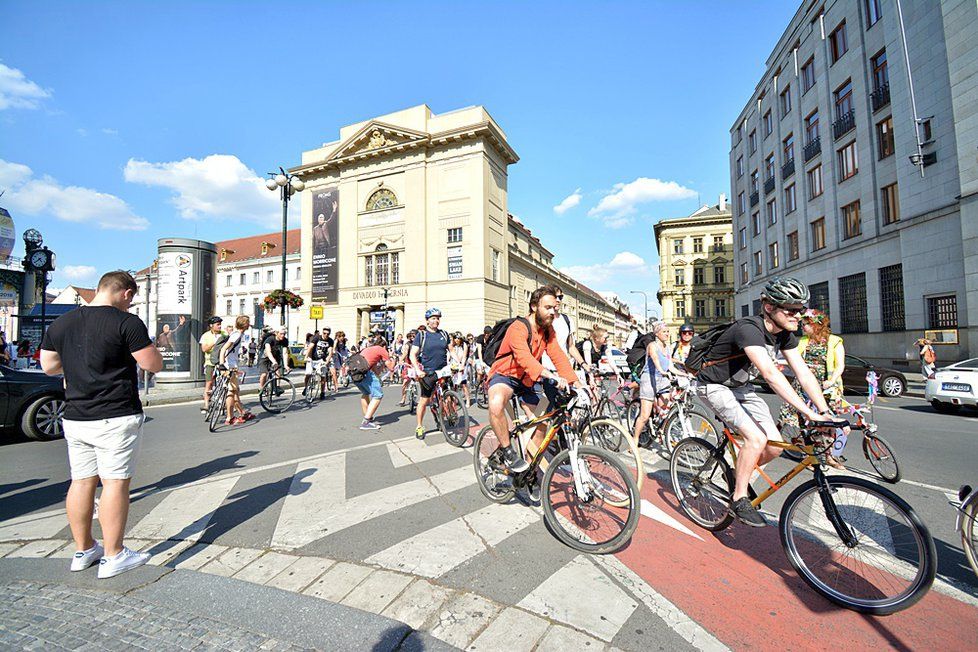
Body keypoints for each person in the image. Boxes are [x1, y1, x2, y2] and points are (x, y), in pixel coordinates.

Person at [40, 271, 163, 578]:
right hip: (115, 414)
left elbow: (48, 366)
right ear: (125, 293)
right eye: (130, 299)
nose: (129, 303)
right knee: (114, 484)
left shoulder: (62, 322)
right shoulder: (127, 322)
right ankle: (114, 554)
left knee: (81, 482)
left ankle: (83, 550)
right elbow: (151, 364)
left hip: (76, 415)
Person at [693, 276, 837, 527]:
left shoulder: (785, 334)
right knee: (756, 438)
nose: (798, 316)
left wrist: (825, 411)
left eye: (801, 310)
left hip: (741, 387)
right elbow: (771, 375)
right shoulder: (749, 328)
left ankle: (737, 475)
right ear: (769, 307)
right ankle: (739, 498)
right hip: (714, 386)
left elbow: (803, 374)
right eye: (791, 309)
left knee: (776, 445)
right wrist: (808, 413)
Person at [487, 285, 578, 473]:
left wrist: (576, 382)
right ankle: (507, 451)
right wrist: (550, 375)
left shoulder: (548, 330)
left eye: (554, 308)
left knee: (542, 423)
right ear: (534, 306)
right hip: (506, 374)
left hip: (527, 380)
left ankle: (529, 469)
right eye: (547, 308)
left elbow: (558, 356)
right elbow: (524, 359)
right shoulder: (518, 327)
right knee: (496, 404)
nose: (552, 312)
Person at [778, 308, 847, 469]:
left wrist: (831, 380)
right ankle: (808, 456)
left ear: (817, 325)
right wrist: (778, 363)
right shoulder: (802, 341)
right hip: (803, 387)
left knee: (829, 422)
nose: (803, 327)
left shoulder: (834, 341)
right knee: (806, 424)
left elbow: (840, 365)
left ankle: (831, 457)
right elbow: (793, 360)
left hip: (826, 388)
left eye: (806, 324)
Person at [410, 307, 451, 440]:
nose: (436, 321)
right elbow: (412, 354)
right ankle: (419, 426)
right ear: (427, 321)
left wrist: (459, 363)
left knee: (448, 395)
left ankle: (446, 415)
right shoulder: (421, 335)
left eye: (438, 318)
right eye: (433, 318)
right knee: (424, 400)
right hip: (428, 372)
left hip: (443, 370)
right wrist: (418, 369)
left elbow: (452, 351)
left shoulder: (444, 334)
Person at [631, 322, 674, 445]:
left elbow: (671, 366)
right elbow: (655, 359)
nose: (667, 334)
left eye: (667, 331)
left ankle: (658, 428)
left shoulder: (668, 347)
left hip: (663, 380)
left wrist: (687, 375)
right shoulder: (652, 345)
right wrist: (662, 371)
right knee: (644, 415)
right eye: (664, 331)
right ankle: (635, 439)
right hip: (649, 379)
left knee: (665, 408)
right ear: (657, 333)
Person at [218, 316, 255, 425]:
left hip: (231, 364)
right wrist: (221, 365)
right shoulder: (237, 335)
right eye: (248, 323)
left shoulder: (238, 334)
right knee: (232, 391)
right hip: (230, 366)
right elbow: (224, 349)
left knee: (235, 390)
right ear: (244, 324)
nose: (249, 324)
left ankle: (242, 412)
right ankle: (230, 418)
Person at [354, 336, 396, 430]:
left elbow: (376, 371)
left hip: (354, 373)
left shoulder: (368, 349)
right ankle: (366, 422)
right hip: (364, 373)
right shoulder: (382, 349)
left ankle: (368, 415)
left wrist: (381, 367)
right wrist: (393, 359)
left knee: (365, 393)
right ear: (384, 346)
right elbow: (391, 367)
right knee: (378, 395)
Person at [199, 316, 226, 412]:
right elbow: (204, 349)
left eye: (220, 324)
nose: (220, 326)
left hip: (221, 362)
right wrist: (215, 343)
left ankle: (223, 403)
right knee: (209, 383)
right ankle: (206, 404)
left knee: (223, 383)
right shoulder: (205, 335)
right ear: (211, 325)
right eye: (217, 324)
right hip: (209, 362)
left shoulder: (224, 334)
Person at [449, 332, 471, 406]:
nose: (457, 340)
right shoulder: (452, 345)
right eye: (456, 338)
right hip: (454, 364)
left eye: (459, 338)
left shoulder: (464, 345)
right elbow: (450, 355)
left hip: (462, 363)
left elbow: (464, 356)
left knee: (463, 383)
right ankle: (455, 399)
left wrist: (462, 365)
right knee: (454, 383)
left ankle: (468, 400)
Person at [303, 328, 326, 399]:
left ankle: (322, 392)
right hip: (311, 359)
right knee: (308, 374)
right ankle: (306, 387)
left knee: (322, 375)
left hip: (319, 360)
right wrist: (306, 358)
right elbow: (307, 351)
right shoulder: (310, 344)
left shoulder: (319, 343)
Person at [399, 330, 417, 406]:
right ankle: (403, 398)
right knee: (405, 382)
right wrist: (401, 360)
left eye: (414, 336)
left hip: (417, 364)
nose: (412, 337)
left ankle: (416, 398)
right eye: (411, 336)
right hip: (408, 364)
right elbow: (405, 353)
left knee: (420, 382)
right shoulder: (407, 344)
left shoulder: (419, 344)